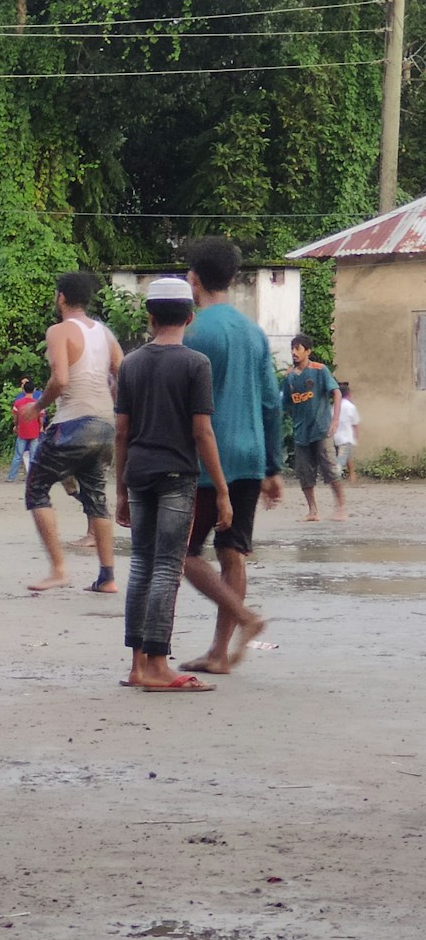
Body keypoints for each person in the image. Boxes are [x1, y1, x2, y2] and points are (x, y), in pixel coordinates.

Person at [112, 278, 230, 693]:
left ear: (150, 317)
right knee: (166, 566)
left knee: (142, 565)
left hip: (138, 473)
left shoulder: (130, 364)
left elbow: (121, 432)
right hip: (177, 476)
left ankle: (137, 665)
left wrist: (122, 489)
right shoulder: (196, 364)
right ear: (190, 316)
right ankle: (160, 664)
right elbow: (203, 432)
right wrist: (222, 489)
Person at [177, 236, 279, 675]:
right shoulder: (253, 332)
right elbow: (272, 403)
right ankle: (219, 653)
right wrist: (273, 465)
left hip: (209, 459)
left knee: (185, 553)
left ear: (193, 279)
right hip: (252, 455)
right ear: (233, 278)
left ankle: (244, 616)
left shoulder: (195, 331)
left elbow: (184, 401)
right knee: (232, 551)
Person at [20, 272, 122, 593]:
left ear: (60, 297)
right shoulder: (105, 334)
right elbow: (124, 374)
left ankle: (59, 569)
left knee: (36, 488)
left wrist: (36, 409)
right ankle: (107, 577)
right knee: (96, 497)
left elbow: (60, 380)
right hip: (105, 425)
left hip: (73, 423)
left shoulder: (59, 331)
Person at [282, 334, 347, 522]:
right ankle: (313, 511)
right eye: (292, 349)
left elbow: (336, 392)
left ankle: (341, 507)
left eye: (298, 349)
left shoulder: (320, 370)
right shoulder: (289, 377)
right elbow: (285, 403)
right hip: (301, 432)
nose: (294, 353)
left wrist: (334, 420)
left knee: (330, 468)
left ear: (308, 351)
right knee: (304, 473)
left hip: (321, 430)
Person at [7, 377, 42, 482]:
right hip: (35, 432)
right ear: (33, 390)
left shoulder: (18, 402)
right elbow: (40, 417)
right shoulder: (37, 403)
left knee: (18, 456)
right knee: (33, 456)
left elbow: (15, 417)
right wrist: (41, 427)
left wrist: (16, 426)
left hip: (22, 432)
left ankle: (11, 477)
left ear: (23, 389)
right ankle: (33, 478)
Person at [335, 381, 360, 482]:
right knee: (341, 458)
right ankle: (335, 475)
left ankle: (352, 476)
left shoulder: (335, 406)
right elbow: (355, 422)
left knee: (348, 456)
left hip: (336, 436)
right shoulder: (350, 406)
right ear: (349, 394)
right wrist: (356, 434)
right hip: (346, 437)